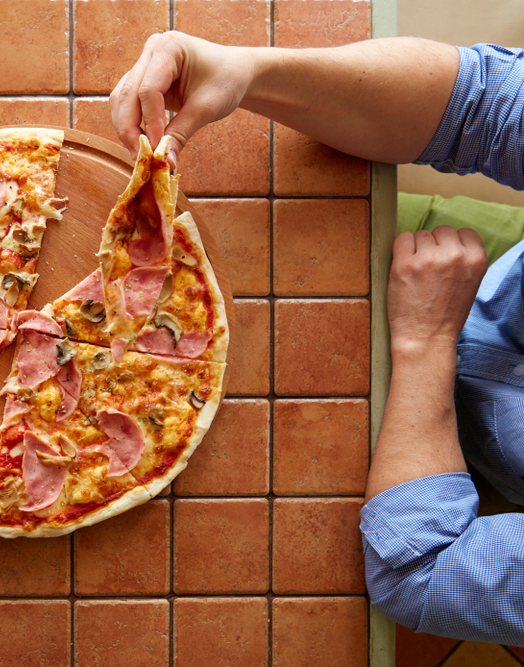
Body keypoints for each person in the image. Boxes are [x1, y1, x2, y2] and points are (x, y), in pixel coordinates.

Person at [113, 32, 524, 644]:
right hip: (458, 264)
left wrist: (425, 342)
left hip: (444, 429)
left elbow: (420, 571)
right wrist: (250, 68)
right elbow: (476, 104)